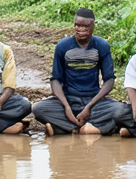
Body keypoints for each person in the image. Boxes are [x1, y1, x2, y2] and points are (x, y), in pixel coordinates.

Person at [32, 8, 128, 136]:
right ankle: (87, 128)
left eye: (85, 26)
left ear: (93, 26)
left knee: (122, 110)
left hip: (94, 101)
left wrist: (89, 107)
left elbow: (109, 80)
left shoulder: (102, 46)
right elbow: (55, 80)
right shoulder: (63, 46)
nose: (80, 29)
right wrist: (66, 107)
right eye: (77, 25)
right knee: (38, 109)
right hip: (69, 99)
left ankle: (64, 129)